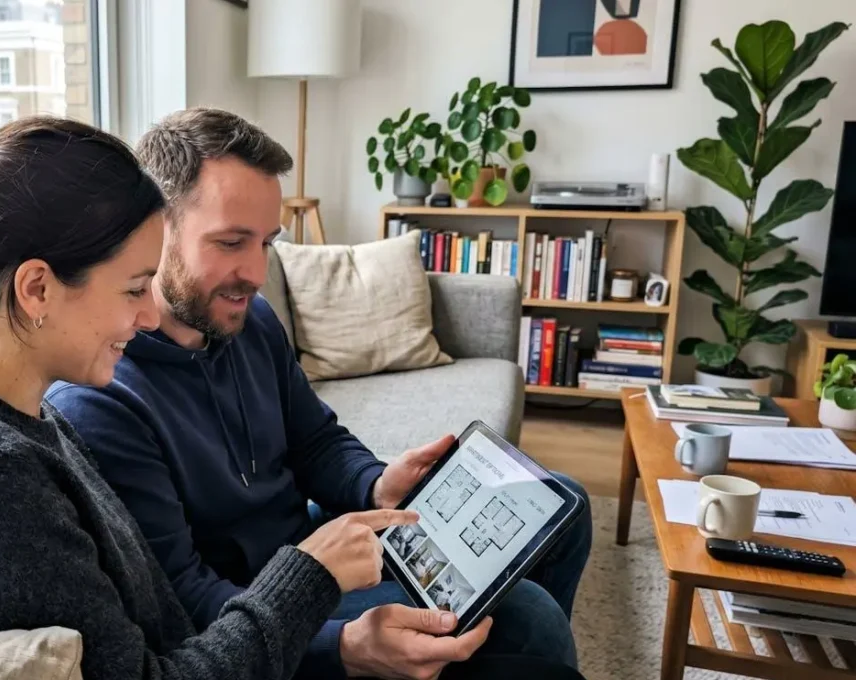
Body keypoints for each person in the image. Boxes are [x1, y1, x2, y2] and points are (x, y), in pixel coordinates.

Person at [0, 106, 452, 680]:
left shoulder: (16, 419)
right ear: (37, 290)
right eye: (135, 288)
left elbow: (151, 623)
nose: (146, 318)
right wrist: (311, 579)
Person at [47, 108, 593, 680]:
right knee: (530, 617)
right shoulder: (102, 396)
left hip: (317, 543)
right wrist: (344, 644)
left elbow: (315, 440)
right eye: (232, 242)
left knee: (561, 504)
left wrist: (375, 483)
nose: (256, 273)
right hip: (259, 608)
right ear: (153, 231)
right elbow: (183, 606)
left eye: (268, 243)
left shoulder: (249, 320)